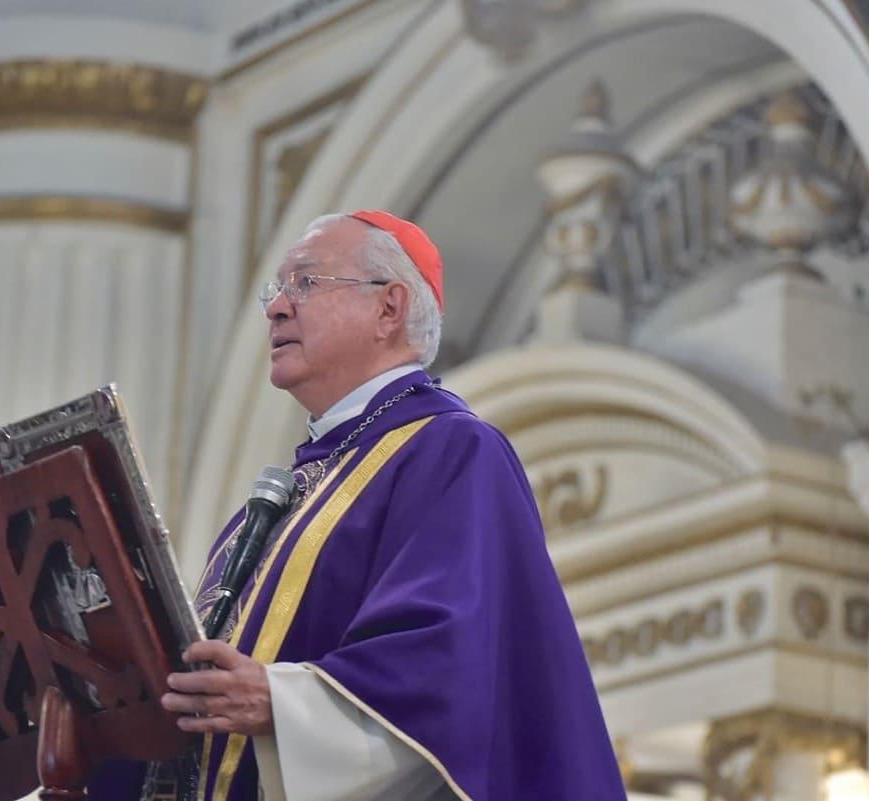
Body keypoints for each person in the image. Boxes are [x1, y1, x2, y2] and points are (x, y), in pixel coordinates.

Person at [89, 211, 626, 801]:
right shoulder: (285, 499)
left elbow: (450, 667)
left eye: (306, 283)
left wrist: (282, 704)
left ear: (389, 308)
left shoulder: (451, 450)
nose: (276, 308)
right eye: (277, 290)